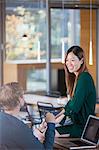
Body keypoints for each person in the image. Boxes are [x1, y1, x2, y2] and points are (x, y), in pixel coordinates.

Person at [55, 45, 96, 138]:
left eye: (72, 60)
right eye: (67, 60)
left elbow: (75, 106)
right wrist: (55, 117)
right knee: (47, 131)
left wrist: (56, 120)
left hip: (83, 128)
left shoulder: (84, 78)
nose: (68, 63)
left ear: (81, 61)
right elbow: (70, 104)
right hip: (77, 125)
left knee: (49, 133)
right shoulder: (77, 78)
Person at [0, 82, 55, 150]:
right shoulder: (19, 127)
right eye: (22, 95)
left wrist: (32, 136)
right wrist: (51, 124)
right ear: (19, 100)